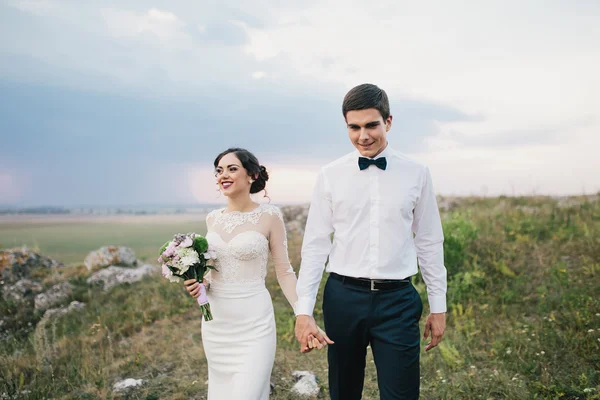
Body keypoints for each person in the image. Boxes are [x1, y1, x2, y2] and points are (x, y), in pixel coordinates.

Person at [294, 84, 447, 399]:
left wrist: (439, 306)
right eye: (354, 127)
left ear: (388, 122)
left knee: (402, 395)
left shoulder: (417, 173)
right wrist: (303, 311)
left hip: (398, 301)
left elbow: (430, 241)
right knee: (344, 392)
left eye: (371, 125)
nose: (362, 135)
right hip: (342, 299)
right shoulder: (330, 175)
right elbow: (315, 246)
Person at [183, 148, 331, 399]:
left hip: (254, 322)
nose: (223, 175)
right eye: (219, 170)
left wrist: (303, 314)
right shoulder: (212, 219)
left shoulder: (270, 216)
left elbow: (284, 271)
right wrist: (200, 286)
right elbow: (211, 273)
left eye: (232, 168)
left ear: (251, 175)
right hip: (216, 324)